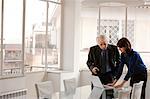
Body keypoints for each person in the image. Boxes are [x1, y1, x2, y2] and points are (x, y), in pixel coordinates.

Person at [87, 35, 120, 99]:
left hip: (109, 76)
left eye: (105, 43)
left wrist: (115, 74)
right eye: (101, 44)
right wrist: (92, 68)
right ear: (97, 43)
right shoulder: (93, 49)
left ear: (108, 41)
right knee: (96, 96)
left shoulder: (114, 49)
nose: (103, 46)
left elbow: (119, 62)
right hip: (97, 77)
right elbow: (89, 62)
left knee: (109, 96)